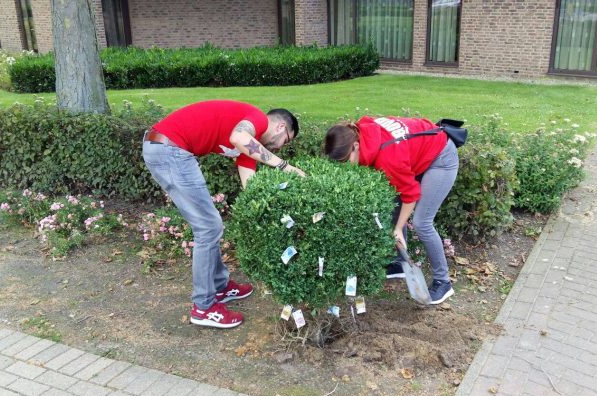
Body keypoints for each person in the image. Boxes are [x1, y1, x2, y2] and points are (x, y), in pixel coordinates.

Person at [142, 100, 304, 328]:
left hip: (168, 149)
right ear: (279, 127)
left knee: (211, 226)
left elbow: (251, 188)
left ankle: (220, 287)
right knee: (208, 227)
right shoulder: (257, 118)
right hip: (169, 149)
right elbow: (239, 137)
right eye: (285, 140)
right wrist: (284, 166)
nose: (279, 148)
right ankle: (204, 307)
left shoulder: (249, 148)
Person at [323, 116, 458, 305]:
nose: (345, 167)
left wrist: (398, 229)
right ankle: (398, 263)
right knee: (393, 201)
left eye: (345, 161)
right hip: (419, 151)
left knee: (422, 222)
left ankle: (443, 282)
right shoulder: (362, 130)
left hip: (441, 157)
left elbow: (410, 196)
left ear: (355, 146)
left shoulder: (388, 158)